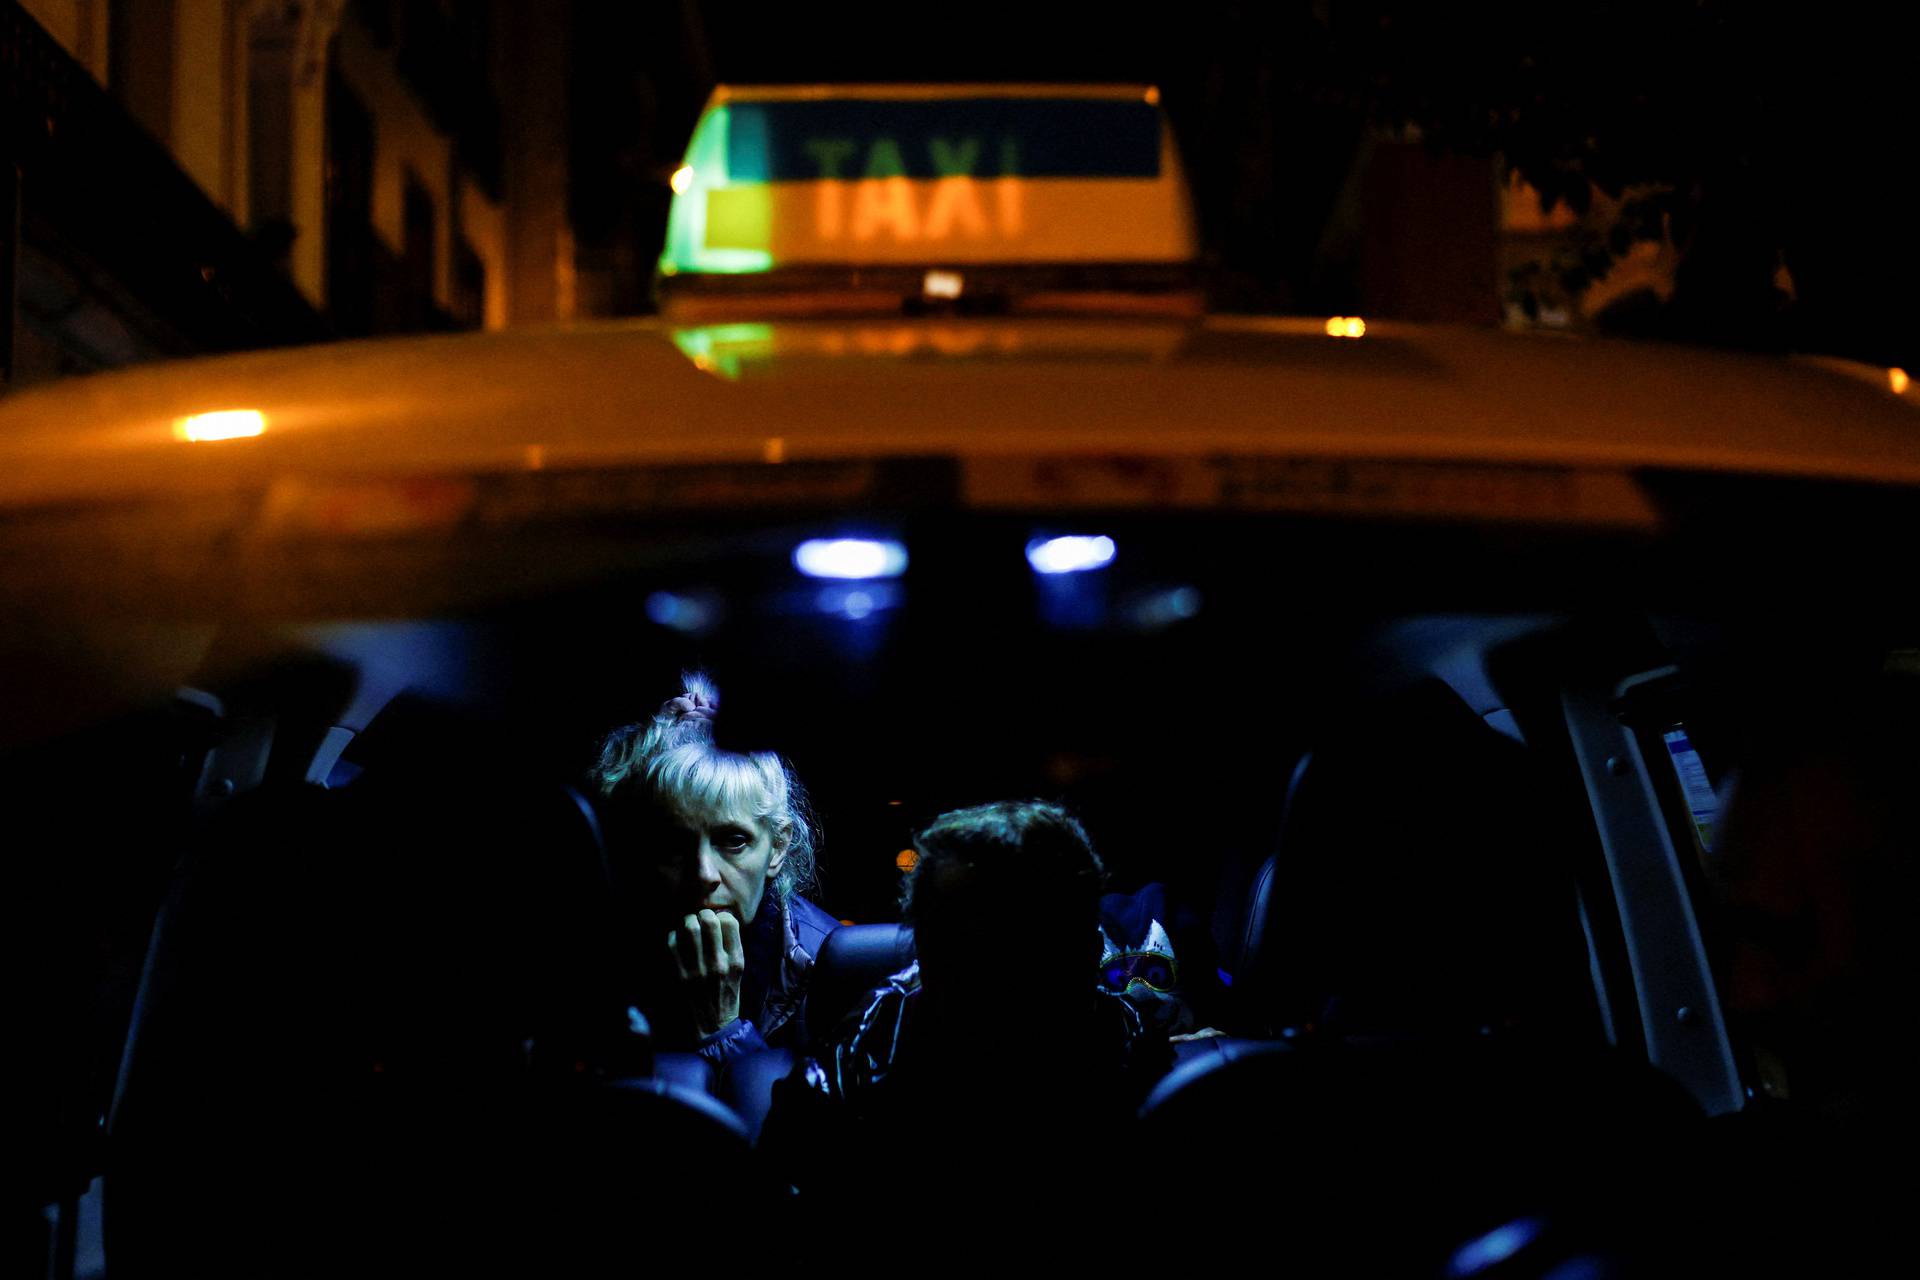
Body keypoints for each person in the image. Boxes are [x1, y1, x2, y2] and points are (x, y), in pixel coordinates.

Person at [762, 800, 1170, 1215]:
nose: (996, 977)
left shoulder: (1131, 1045)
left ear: (1086, 952)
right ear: (923, 950)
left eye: (1028, 938)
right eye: (964, 939)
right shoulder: (864, 1053)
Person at [593, 674, 837, 1067]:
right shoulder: (598, 951)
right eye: (673, 846)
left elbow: (798, 1127)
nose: (703, 873)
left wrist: (723, 1029)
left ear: (777, 845)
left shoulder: (831, 967)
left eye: (733, 841)